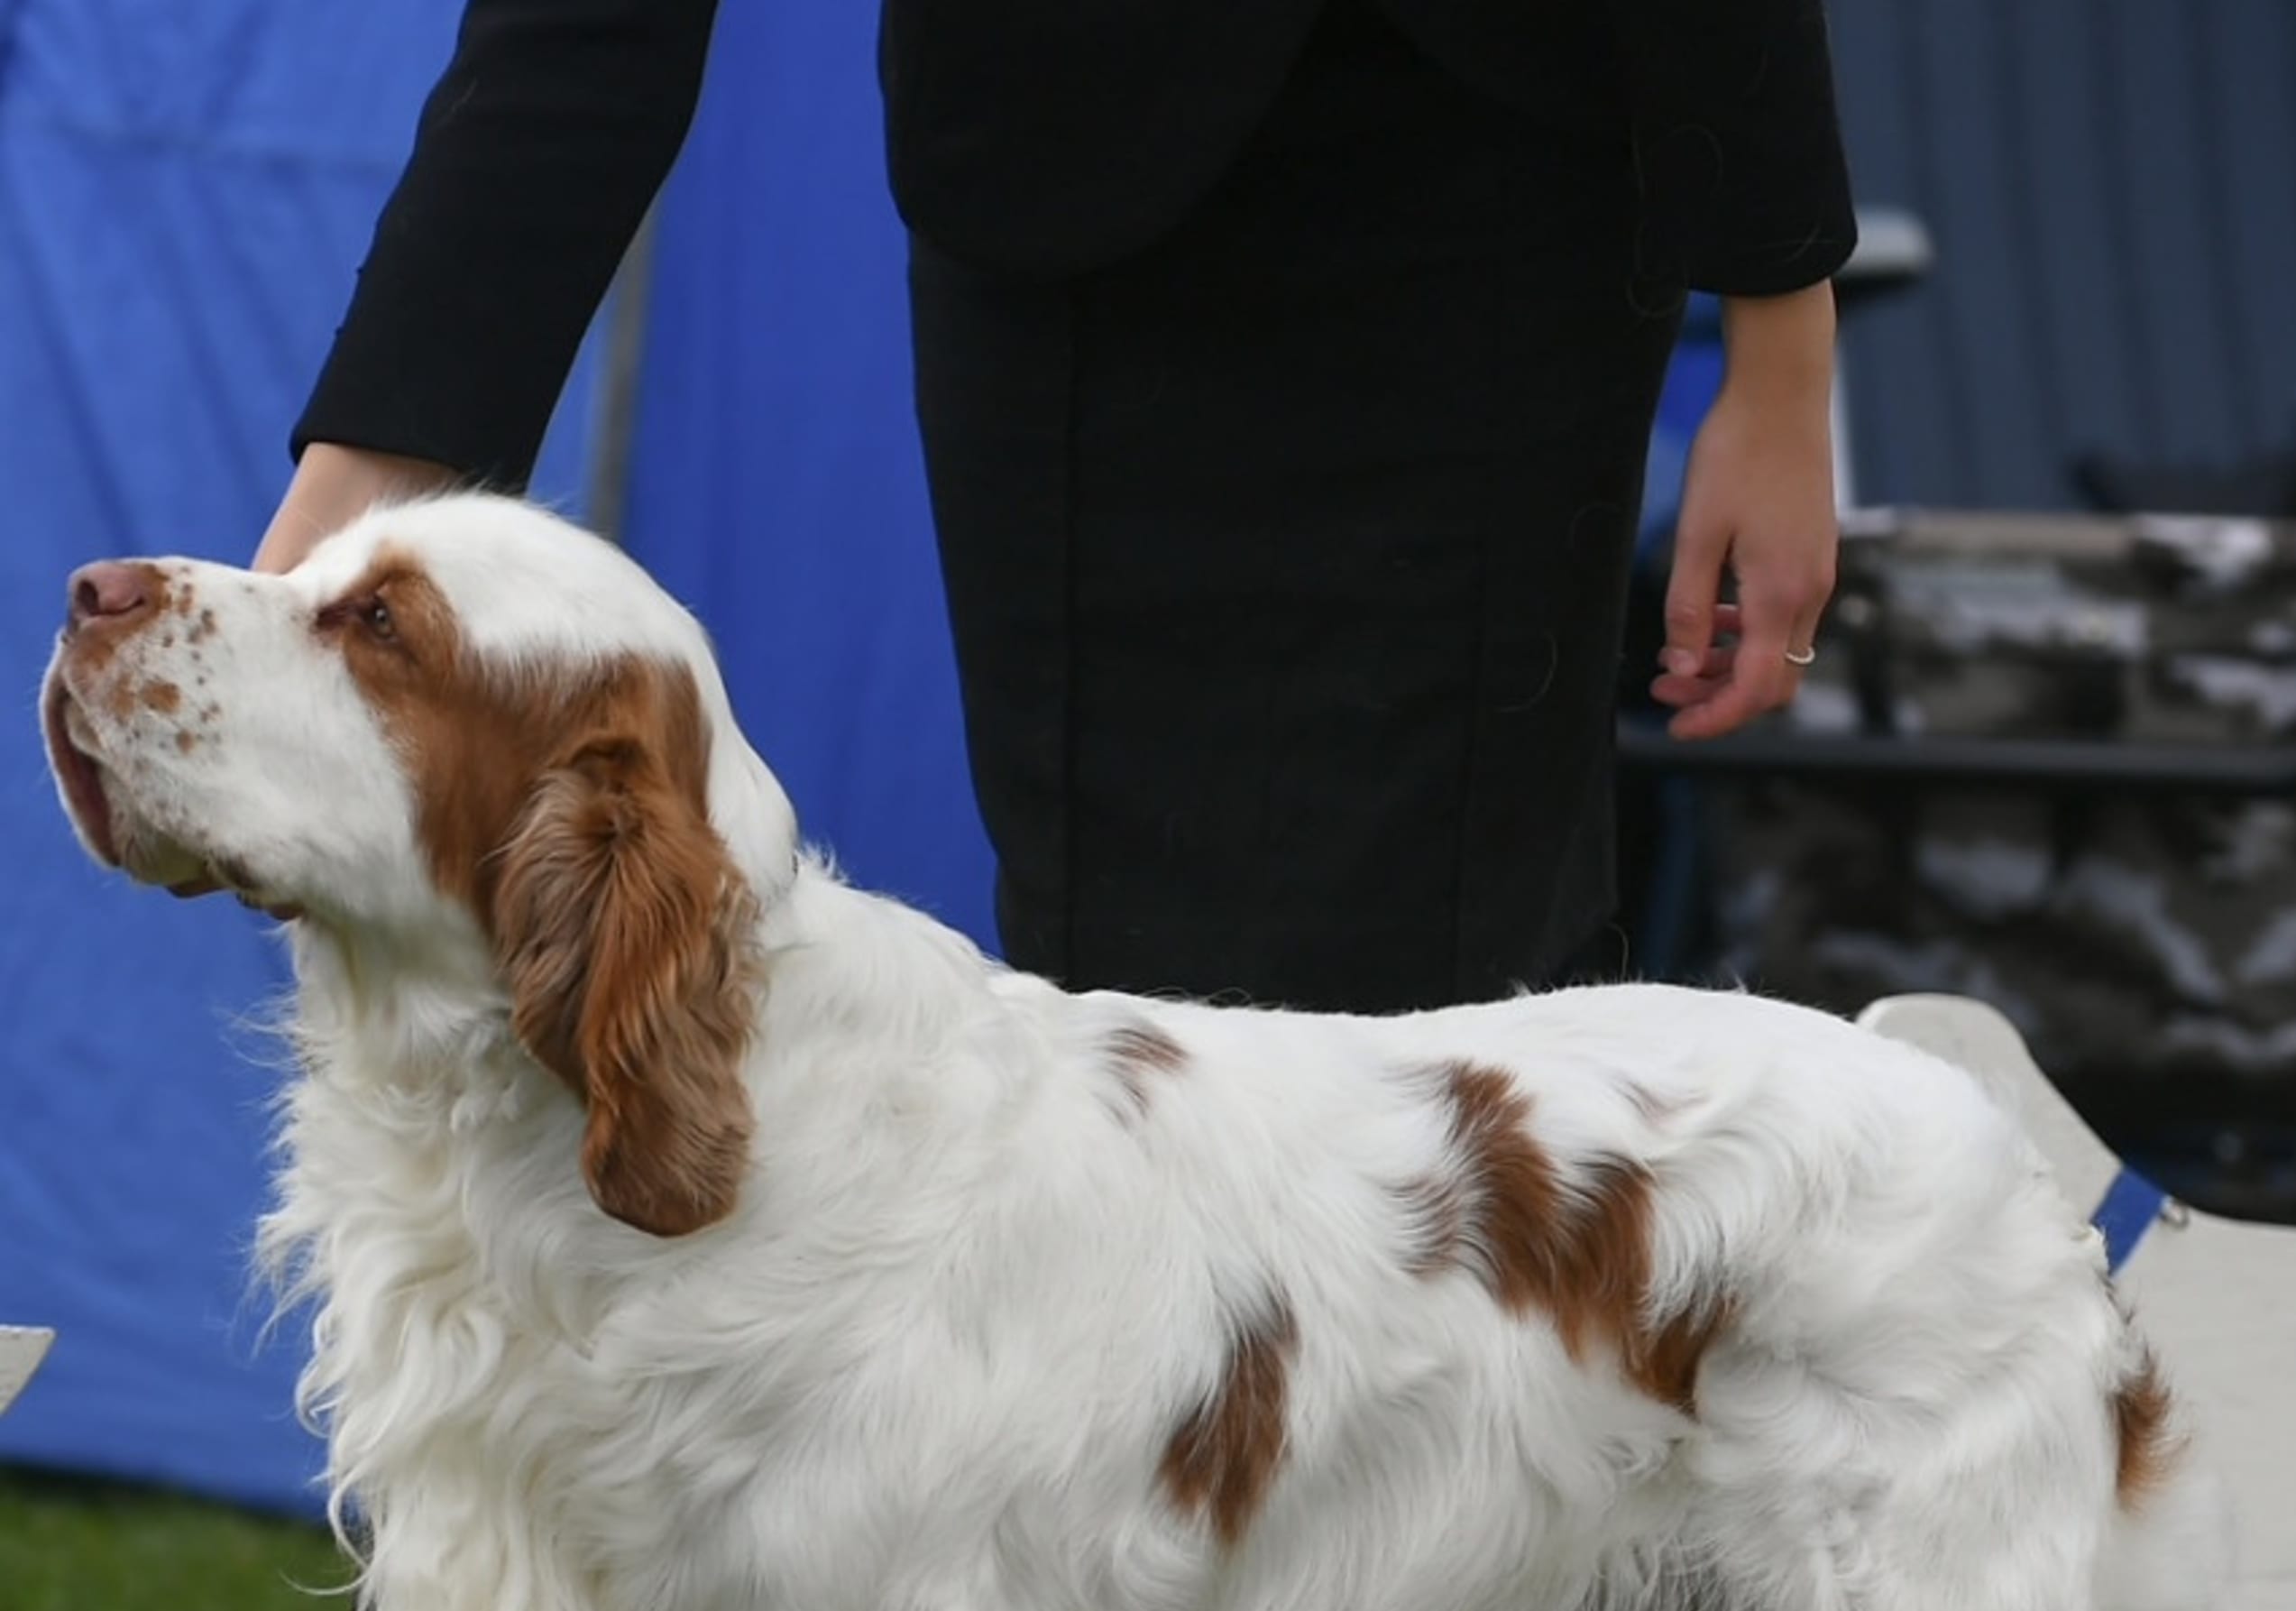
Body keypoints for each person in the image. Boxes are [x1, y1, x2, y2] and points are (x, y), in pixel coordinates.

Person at [256, 0, 1854, 1017]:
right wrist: (369, 470)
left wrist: (1784, 336)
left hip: (1482, 201)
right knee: (1124, 1036)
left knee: (1449, 1084)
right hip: (1061, 209)